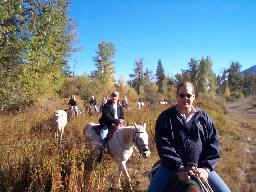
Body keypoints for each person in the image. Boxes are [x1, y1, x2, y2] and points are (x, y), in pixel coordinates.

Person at [148, 81, 231, 192]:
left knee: (225, 191)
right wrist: (178, 167)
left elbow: (213, 143)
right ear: (177, 96)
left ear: (193, 96)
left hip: (200, 166)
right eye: (182, 95)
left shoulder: (204, 118)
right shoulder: (166, 117)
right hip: (171, 167)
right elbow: (163, 143)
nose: (185, 98)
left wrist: (206, 169)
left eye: (188, 95)